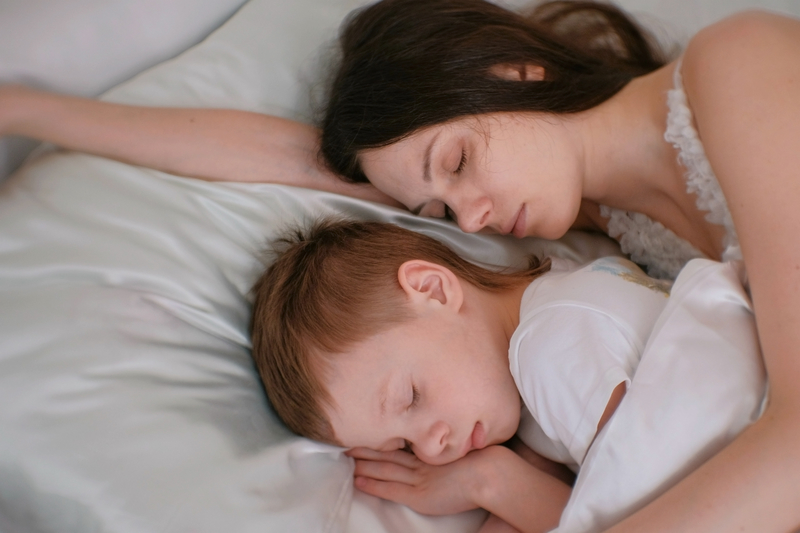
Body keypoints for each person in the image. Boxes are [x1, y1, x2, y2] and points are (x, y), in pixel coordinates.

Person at [1, 1, 799, 529]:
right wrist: (28, 110)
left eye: (455, 160)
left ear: (509, 71)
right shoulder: (593, 221)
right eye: (439, 214)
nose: (473, 215)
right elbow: (287, 159)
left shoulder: (736, 64)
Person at [249, 217, 763, 533]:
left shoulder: (550, 345)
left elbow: (649, 518)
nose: (432, 449)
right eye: (404, 447)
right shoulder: (562, 285)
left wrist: (490, 483)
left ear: (432, 288)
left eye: (410, 398)